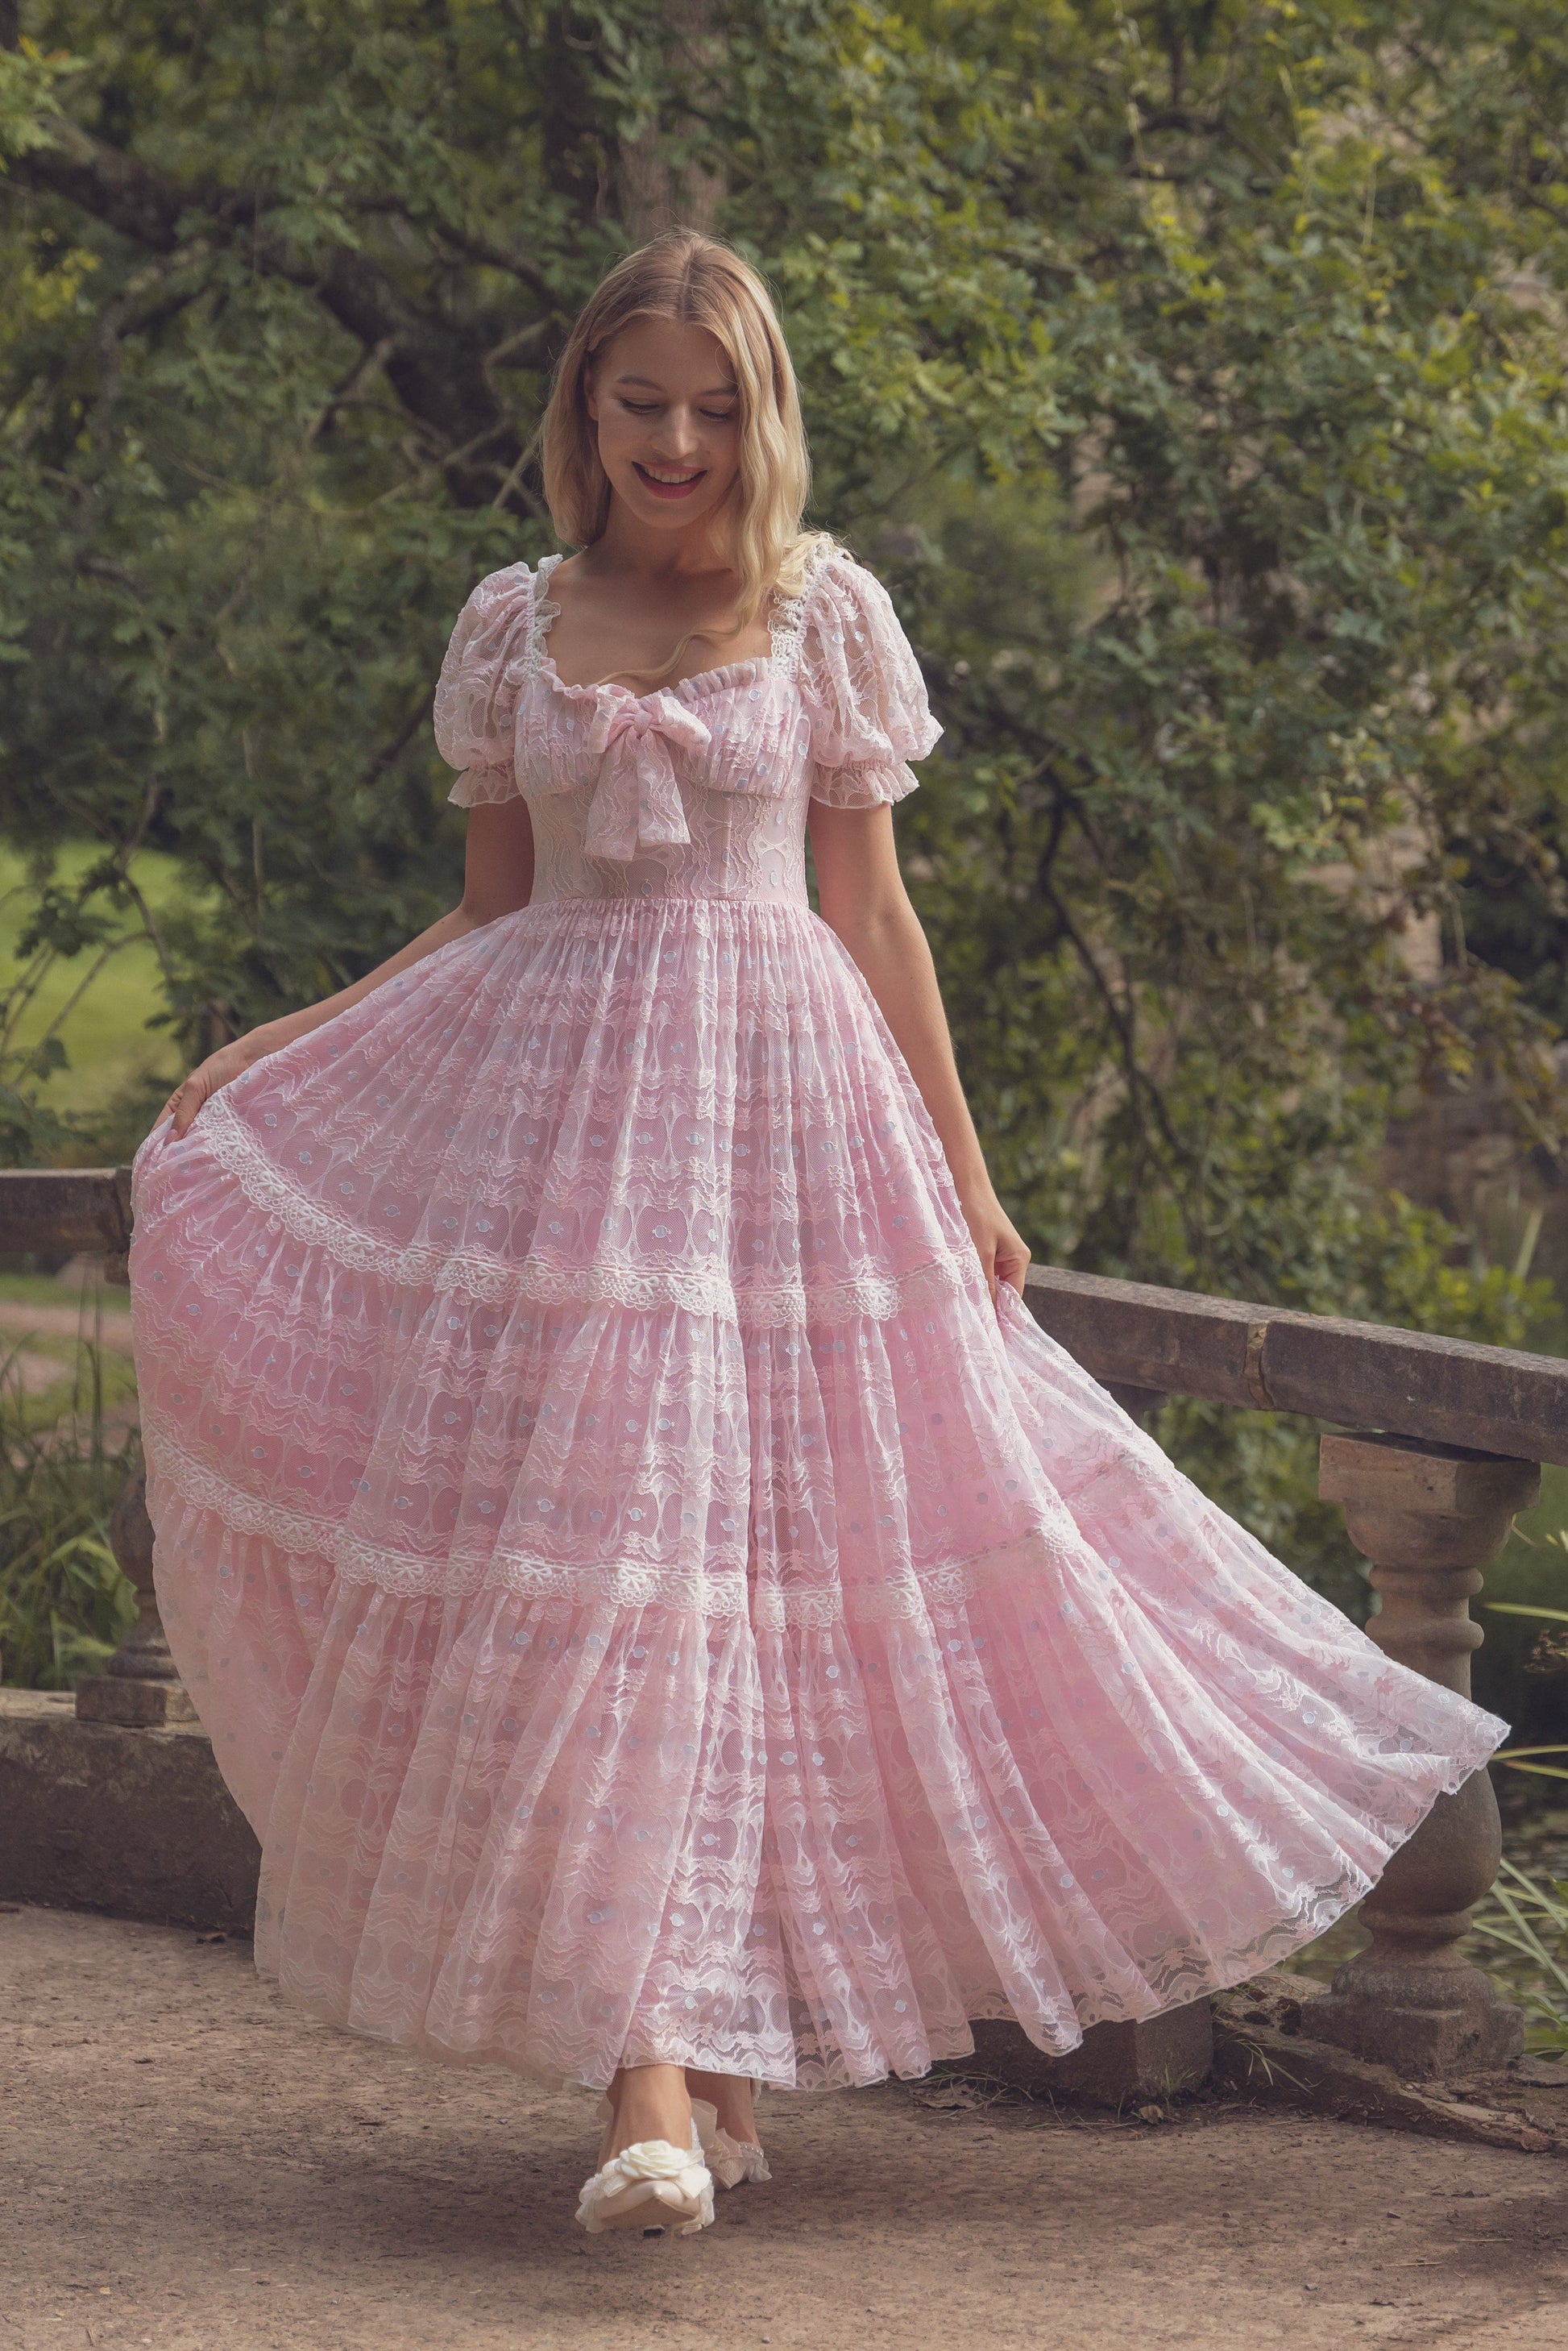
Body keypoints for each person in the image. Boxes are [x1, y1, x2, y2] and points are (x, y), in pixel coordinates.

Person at [130, 232, 1505, 2239]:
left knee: (775, 1582)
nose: (677, 440)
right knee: (610, 1574)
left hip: (786, 1144)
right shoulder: (515, 622)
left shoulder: (821, 611)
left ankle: (709, 2062)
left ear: (759, 415)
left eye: (714, 405)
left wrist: (969, 1174)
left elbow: (869, 914)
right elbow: (493, 910)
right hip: (569, 1158)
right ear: (585, 405)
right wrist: (283, 1041)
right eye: (641, 400)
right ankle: (655, 2075)